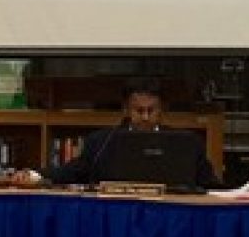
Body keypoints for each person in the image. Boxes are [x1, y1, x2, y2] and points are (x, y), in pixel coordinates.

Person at [17, 78, 215, 187]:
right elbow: (72, 172)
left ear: (162, 110)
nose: (145, 117)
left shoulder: (185, 143)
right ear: (126, 110)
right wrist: (35, 175)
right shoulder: (102, 141)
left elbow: (209, 185)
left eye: (151, 110)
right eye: (139, 111)